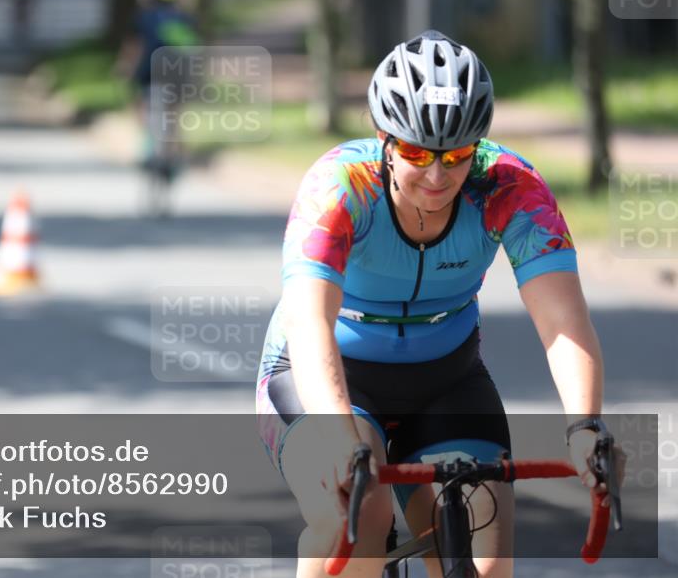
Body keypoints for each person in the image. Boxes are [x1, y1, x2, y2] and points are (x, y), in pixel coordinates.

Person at [255, 30, 624, 578]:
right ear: (384, 137)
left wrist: (585, 426)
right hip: (327, 375)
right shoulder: (339, 187)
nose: (436, 174)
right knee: (357, 520)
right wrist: (338, 433)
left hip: (446, 379)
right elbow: (311, 322)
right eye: (415, 153)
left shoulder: (510, 187)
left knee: (487, 560)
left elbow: (563, 320)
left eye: (455, 155)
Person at [128, 0, 198, 217]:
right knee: (174, 116)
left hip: (148, 75)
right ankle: (176, 155)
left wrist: (125, 70)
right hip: (175, 78)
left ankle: (147, 149)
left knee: (143, 110)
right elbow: (193, 50)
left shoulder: (143, 19)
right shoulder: (184, 19)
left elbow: (134, 48)